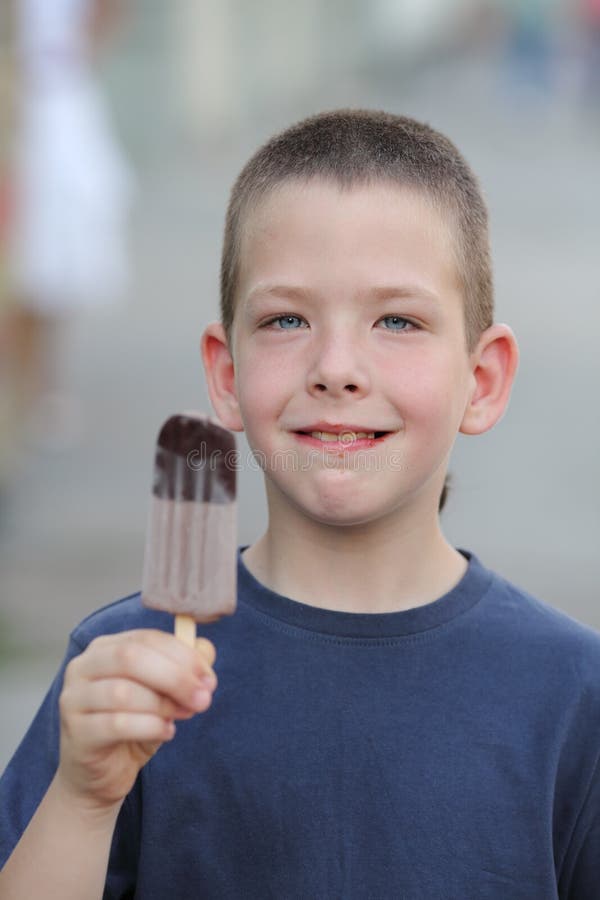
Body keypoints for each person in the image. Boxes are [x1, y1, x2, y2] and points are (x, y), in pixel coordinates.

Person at [1, 109, 599, 899]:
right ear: (226, 374)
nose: (337, 367)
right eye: (287, 319)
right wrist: (83, 799)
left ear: (482, 381)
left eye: (397, 320)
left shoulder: (570, 691)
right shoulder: (127, 669)